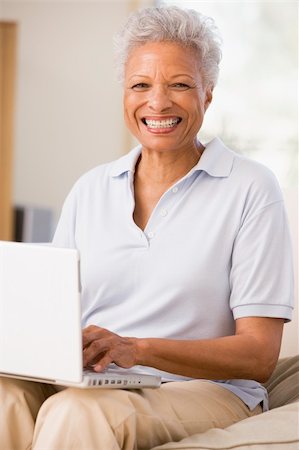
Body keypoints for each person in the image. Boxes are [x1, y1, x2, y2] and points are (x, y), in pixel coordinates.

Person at [0, 5, 294, 450]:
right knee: (5, 396)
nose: (158, 103)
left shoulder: (250, 187)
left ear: (207, 94)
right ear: (124, 92)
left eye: (180, 85)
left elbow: (258, 355)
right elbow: (50, 313)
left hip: (205, 389)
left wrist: (136, 350)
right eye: (141, 85)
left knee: (75, 412)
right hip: (97, 381)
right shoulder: (90, 188)